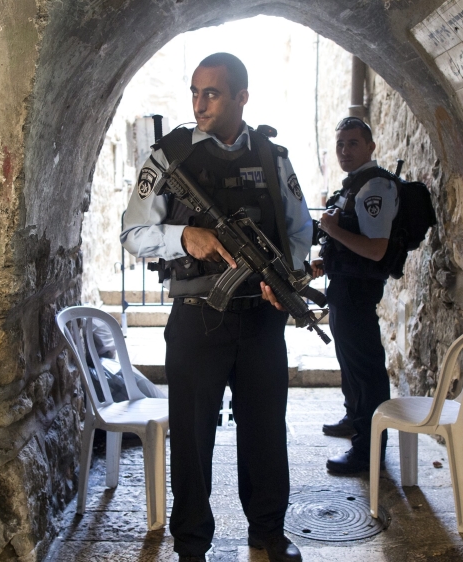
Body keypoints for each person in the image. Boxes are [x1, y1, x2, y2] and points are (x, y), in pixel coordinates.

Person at [120, 53, 311, 562]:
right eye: (195, 92)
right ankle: (190, 544)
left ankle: (268, 532)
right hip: (197, 320)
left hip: (261, 320)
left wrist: (285, 279)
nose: (199, 104)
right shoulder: (168, 157)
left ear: (241, 98)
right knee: (191, 436)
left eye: (213, 93)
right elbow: (133, 233)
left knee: (267, 432)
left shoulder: (273, 157)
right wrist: (184, 236)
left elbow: (299, 229)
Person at [312, 117, 398, 474]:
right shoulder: (356, 186)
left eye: (353, 143)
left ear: (370, 147)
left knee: (366, 370)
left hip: (358, 291)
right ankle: (354, 419)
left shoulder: (374, 186)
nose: (345, 151)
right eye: (341, 144)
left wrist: (331, 229)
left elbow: (376, 249)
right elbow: (352, 239)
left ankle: (367, 451)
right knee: (349, 362)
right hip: (344, 286)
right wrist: (328, 255)